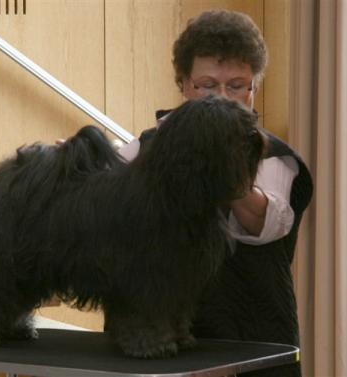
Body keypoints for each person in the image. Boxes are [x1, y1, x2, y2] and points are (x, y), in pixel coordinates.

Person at [118, 10, 313, 377]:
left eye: (237, 85)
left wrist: (227, 168)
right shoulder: (144, 149)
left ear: (253, 88)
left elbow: (265, 226)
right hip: (161, 338)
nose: (222, 98)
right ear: (183, 85)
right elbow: (105, 208)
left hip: (253, 335)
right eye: (208, 86)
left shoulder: (274, 157)